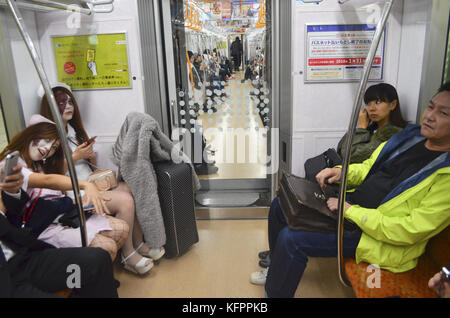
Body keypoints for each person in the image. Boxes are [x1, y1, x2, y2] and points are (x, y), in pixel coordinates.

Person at [251, 81, 450, 298]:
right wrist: (339, 172)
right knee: (281, 204)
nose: (430, 116)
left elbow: (410, 230)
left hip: (378, 238)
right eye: (430, 107)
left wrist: (349, 210)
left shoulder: (445, 176)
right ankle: (277, 265)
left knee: (293, 239)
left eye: (443, 113)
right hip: (350, 207)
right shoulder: (408, 139)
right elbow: (367, 167)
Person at [259, 83, 408, 268]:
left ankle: (278, 255)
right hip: (343, 186)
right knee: (280, 202)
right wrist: (362, 128)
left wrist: (360, 127)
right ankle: (276, 252)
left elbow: (349, 155)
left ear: (393, 104)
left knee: (286, 209)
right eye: (368, 103)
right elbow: (342, 147)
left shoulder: (393, 137)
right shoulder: (374, 130)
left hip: (352, 196)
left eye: (378, 102)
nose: (371, 108)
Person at [40, 85, 164, 274]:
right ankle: (128, 254)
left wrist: (89, 157)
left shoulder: (73, 131)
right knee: (125, 201)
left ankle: (138, 244)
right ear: (50, 107)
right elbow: (47, 174)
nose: (68, 106)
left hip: (89, 184)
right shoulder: (47, 137)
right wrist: (75, 157)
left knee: (131, 187)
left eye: (70, 101)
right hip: (72, 195)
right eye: (61, 102)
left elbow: (87, 167)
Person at [0, 118, 129, 264]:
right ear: (32, 133)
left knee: (122, 229)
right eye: (47, 139)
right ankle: (83, 277)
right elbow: (47, 180)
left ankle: (92, 270)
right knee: (107, 247)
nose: (48, 149)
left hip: (60, 215)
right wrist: (86, 186)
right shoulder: (13, 166)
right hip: (41, 228)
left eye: (54, 147)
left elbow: (56, 177)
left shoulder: (40, 164)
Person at [0, 164, 118, 298]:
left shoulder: (40, 164)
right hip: (7, 283)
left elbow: (13, 211)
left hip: (22, 259)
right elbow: (47, 181)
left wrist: (13, 191)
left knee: (97, 259)